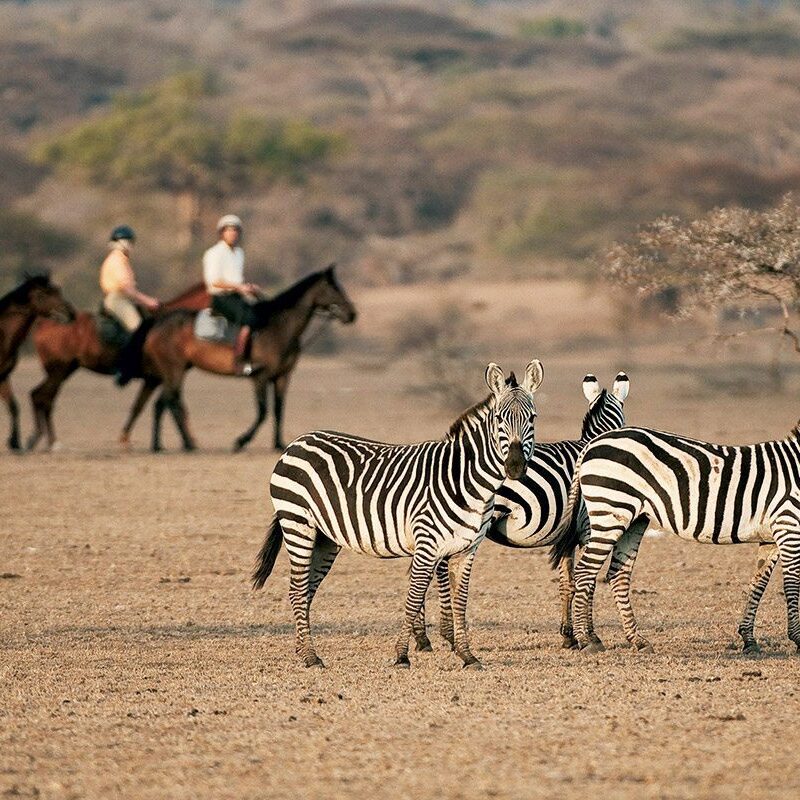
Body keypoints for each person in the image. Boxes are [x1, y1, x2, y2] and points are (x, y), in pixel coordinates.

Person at [202, 214, 260, 375]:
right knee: (248, 318)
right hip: (220, 297)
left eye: (235, 230)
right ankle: (238, 361)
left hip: (236, 295)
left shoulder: (239, 253)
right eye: (228, 230)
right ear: (222, 233)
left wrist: (248, 287)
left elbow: (236, 279)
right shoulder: (214, 253)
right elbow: (213, 281)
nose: (232, 233)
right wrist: (239, 287)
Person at [100, 225, 159, 333]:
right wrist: (147, 301)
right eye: (129, 242)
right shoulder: (117, 260)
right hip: (118, 299)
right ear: (122, 243)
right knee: (139, 329)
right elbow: (127, 288)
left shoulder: (121, 259)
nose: (131, 245)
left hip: (124, 298)